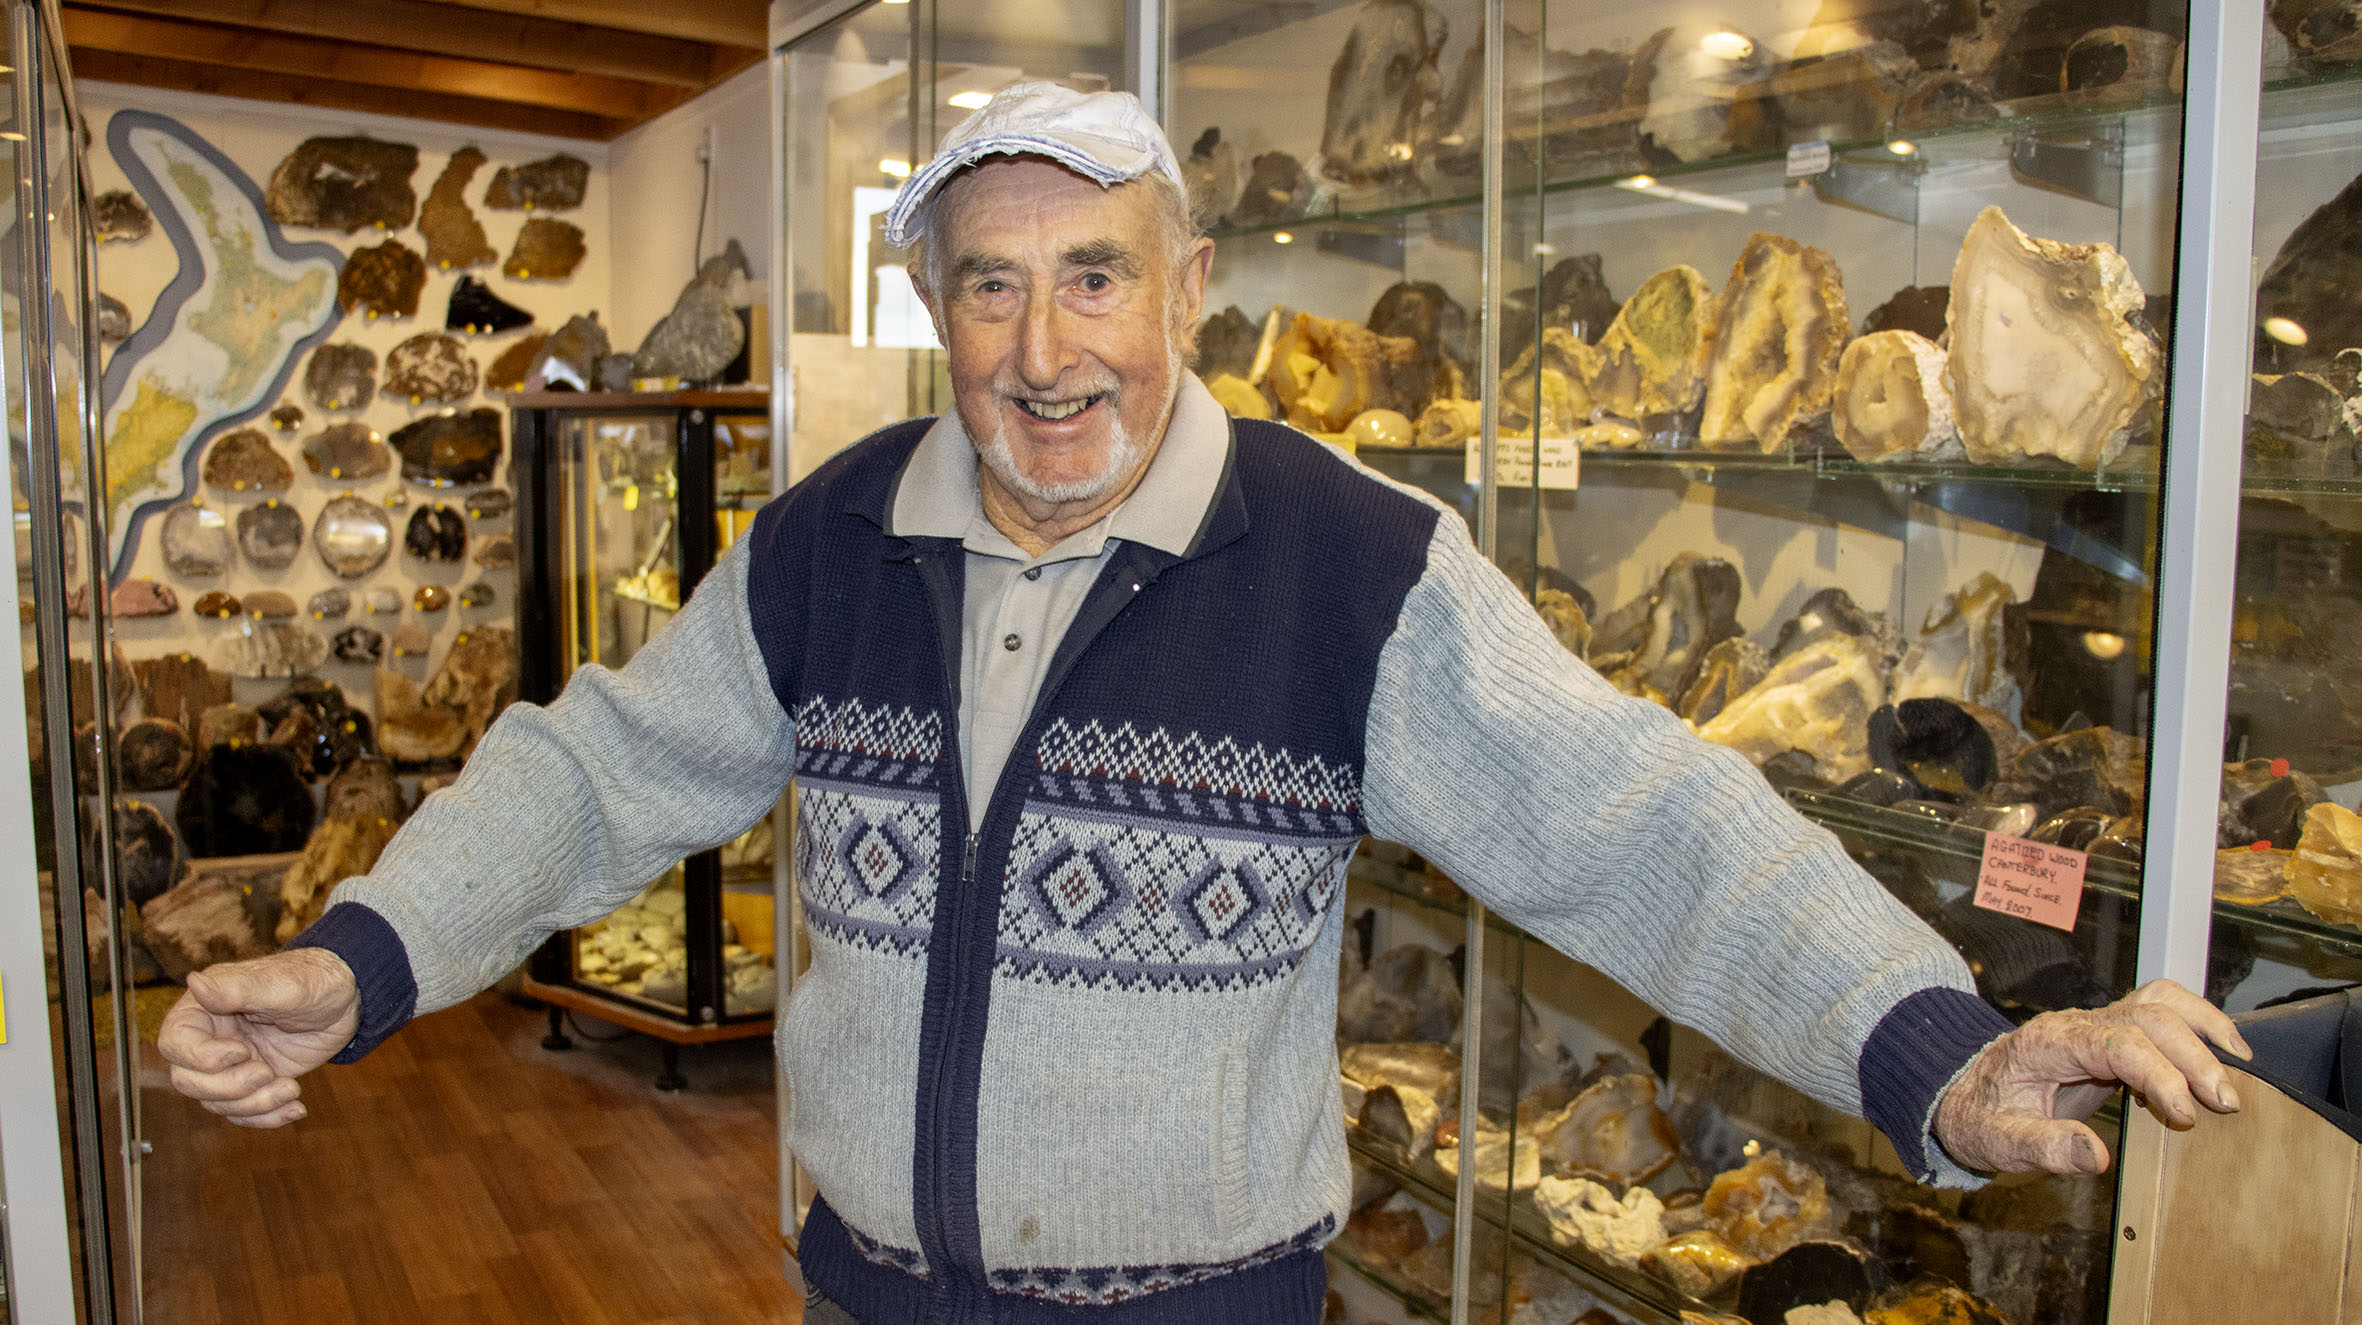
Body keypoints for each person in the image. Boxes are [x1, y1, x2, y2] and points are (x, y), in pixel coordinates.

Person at [162, 84, 2249, 1324]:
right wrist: (365, 954)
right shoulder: (826, 545)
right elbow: (601, 766)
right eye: (990, 282)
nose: (1044, 346)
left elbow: (1633, 820)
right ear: (935, 311)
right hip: (864, 1295)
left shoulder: (1344, 563)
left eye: (1095, 276)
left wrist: (1931, 1056)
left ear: (1185, 292)